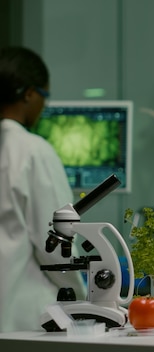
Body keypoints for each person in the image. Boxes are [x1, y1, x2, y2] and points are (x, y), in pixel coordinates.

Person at [0, 46, 86, 332]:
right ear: (28, 94)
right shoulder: (32, 151)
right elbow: (56, 247)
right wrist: (85, 302)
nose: (44, 106)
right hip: (24, 320)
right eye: (44, 97)